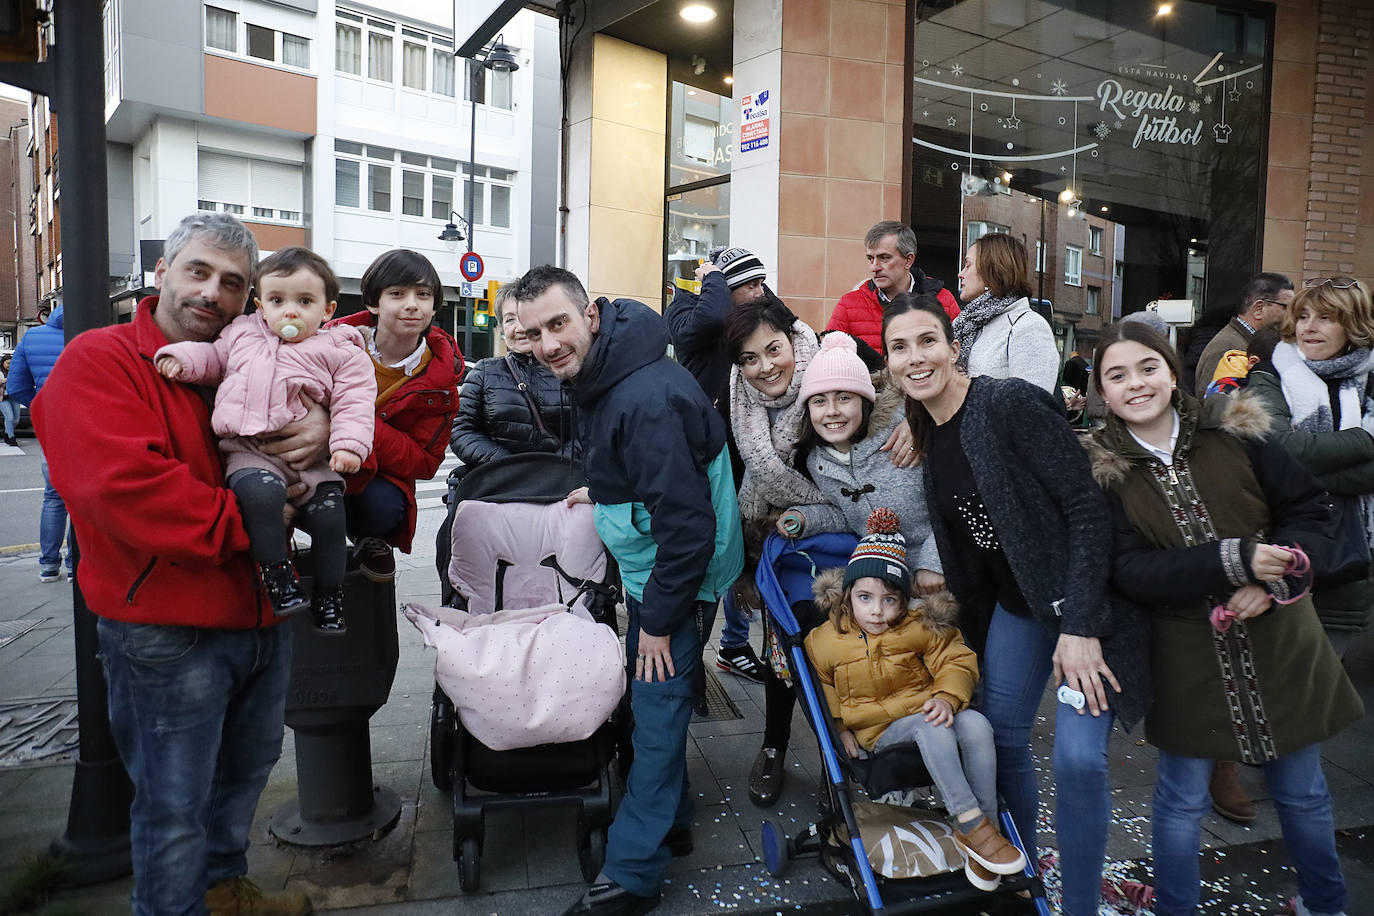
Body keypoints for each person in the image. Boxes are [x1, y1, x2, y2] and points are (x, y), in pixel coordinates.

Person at [31, 212, 319, 915]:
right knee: (172, 811)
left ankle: (224, 896)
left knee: (243, 778)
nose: (212, 293)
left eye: (232, 283)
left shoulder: (243, 359)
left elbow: (317, 423)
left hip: (260, 614)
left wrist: (316, 431)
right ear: (162, 273)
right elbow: (117, 488)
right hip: (166, 631)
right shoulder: (99, 360)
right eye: (198, 272)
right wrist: (252, 525)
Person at [884, 293, 1150, 916]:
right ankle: (1024, 874)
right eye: (900, 347)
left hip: (1074, 599)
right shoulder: (926, 425)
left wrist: (1080, 623)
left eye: (927, 341)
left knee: (1075, 757)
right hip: (1014, 604)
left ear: (954, 347)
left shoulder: (1007, 403)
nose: (916, 357)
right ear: (889, 363)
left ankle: (1064, 891)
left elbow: (1085, 508)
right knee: (1001, 737)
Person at [1086, 320, 1362, 916]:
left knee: (1303, 791)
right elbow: (1129, 570)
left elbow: (1309, 510)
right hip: (1187, 654)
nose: (1136, 384)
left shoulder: (1236, 432)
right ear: (1101, 391)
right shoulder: (1103, 474)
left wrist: (1276, 576)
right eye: (1117, 375)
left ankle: (1325, 905)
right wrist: (1232, 560)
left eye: (1147, 367)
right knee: (1181, 798)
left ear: (1171, 369)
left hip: (1281, 638)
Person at [513, 265, 743, 916]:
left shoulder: (641, 396)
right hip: (661, 560)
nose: (549, 342)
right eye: (533, 333)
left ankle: (632, 874)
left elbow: (689, 525)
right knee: (658, 705)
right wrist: (607, 491)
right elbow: (647, 471)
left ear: (589, 316)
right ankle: (670, 819)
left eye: (558, 324)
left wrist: (661, 622)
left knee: (658, 706)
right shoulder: (613, 367)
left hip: (672, 574)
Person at [154, 246, 376, 634]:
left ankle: (329, 595)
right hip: (250, 452)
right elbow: (212, 359)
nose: (290, 311)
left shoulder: (341, 350)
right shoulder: (241, 335)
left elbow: (355, 402)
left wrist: (347, 446)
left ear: (327, 310)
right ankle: (277, 575)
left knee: (330, 520)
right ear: (260, 305)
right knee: (260, 499)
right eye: (277, 300)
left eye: (304, 301)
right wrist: (183, 360)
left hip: (313, 464)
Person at [804, 509, 1025, 892]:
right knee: (937, 728)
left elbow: (957, 659)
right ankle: (971, 823)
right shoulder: (825, 639)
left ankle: (983, 830)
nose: (877, 610)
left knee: (976, 723)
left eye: (890, 600)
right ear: (847, 595)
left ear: (904, 600)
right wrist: (838, 727)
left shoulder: (919, 625)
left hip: (927, 710)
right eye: (865, 598)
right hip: (879, 732)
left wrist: (945, 694)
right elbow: (823, 687)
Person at [724, 295, 827, 806]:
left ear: (793, 339)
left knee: (851, 650)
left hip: (839, 538)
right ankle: (773, 748)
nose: (764, 368)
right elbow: (734, 471)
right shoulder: (736, 399)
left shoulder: (830, 370)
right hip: (772, 540)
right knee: (781, 652)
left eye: (773, 350)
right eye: (748, 358)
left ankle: (843, 756)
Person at [1246, 276, 1374, 661]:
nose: (1309, 327)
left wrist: (1294, 473)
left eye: (1326, 317)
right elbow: (1281, 451)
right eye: (1302, 316)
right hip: (1280, 554)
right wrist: (1367, 441)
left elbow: (1287, 465)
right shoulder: (1270, 373)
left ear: (1353, 326)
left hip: (1349, 567)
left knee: (1321, 696)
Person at [664, 245, 770, 682]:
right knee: (708, 547)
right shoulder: (685, 307)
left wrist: (748, 287)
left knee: (743, 544)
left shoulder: (750, 308)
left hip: (744, 443)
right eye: (748, 286)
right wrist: (713, 277)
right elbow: (701, 325)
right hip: (702, 451)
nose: (760, 293)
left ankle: (734, 645)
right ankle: (688, 651)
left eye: (761, 283)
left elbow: (780, 314)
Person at [328, 249, 462, 582]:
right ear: (373, 303)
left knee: (386, 508)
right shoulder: (331, 346)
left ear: (434, 306)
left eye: (423, 294)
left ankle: (369, 537)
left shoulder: (441, 384)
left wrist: (357, 426)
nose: (412, 304)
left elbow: (425, 463)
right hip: (314, 455)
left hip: (374, 480)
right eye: (397, 294)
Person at [775, 331, 943, 595]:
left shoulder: (905, 433)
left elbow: (952, 503)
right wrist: (804, 518)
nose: (832, 411)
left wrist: (934, 561)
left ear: (865, 402)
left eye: (844, 398)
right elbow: (844, 513)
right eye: (819, 401)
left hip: (944, 574)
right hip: (885, 585)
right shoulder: (818, 461)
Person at [449, 283, 575, 471]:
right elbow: (461, 430)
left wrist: (554, 466)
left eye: (526, 317)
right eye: (509, 320)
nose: (520, 328)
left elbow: (589, 430)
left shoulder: (568, 370)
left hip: (562, 480)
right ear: (501, 329)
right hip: (503, 483)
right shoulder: (484, 372)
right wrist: (508, 466)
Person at [7, 302, 71, 580]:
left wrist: (42, 406)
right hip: (91, 422)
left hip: (53, 425)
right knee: (84, 497)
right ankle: (75, 565)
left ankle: (48, 565)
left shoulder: (32, 337)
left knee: (54, 496)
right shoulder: (93, 331)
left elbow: (17, 386)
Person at [825, 220, 960, 352]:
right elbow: (828, 360)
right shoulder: (848, 305)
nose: (874, 267)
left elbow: (959, 358)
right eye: (870, 258)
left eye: (884, 258)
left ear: (908, 260)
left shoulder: (944, 301)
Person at [951, 232, 1058, 393]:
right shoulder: (969, 322)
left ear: (991, 271)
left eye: (968, 265)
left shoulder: (1028, 327)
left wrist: (967, 388)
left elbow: (1031, 405)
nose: (960, 274)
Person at [1193, 271, 1294, 398]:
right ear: (1259, 309)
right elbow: (1213, 407)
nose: (1292, 316)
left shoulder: (1254, 343)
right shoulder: (1226, 350)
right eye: (1287, 308)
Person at [0, 353, 19, 447]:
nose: (9, 365)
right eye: (8, 363)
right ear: (3, 363)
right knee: (10, 417)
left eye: (11, 363)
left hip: (14, 397)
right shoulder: (0, 372)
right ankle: (11, 438)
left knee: (16, 420)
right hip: (3, 398)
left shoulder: (15, 371)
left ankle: (7, 432)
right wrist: (4, 380)